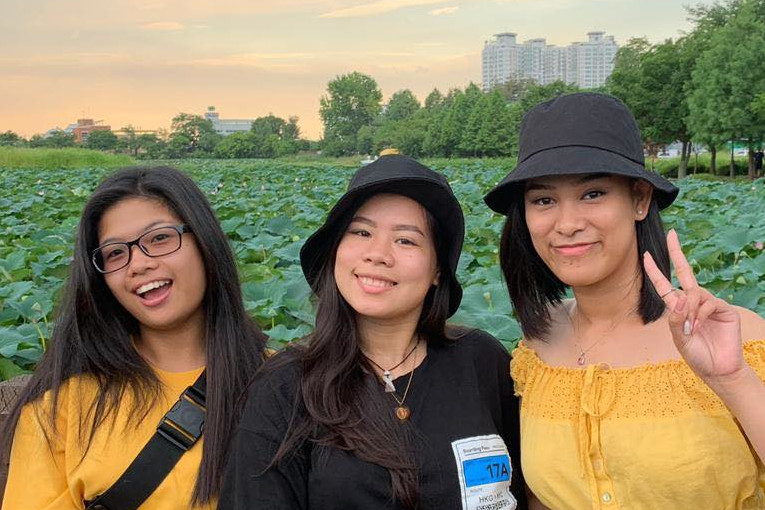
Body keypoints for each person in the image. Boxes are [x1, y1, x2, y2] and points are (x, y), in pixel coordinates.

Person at [484, 92, 765, 509]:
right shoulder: (535, 349)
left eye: (593, 194)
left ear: (639, 199)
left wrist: (732, 380)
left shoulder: (736, 339)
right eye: (543, 200)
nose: (567, 224)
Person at [219, 154, 527, 510]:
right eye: (361, 232)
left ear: (438, 271)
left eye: (406, 241)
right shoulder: (284, 387)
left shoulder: (482, 362)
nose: (377, 254)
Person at [1, 166, 267, 509]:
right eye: (115, 253)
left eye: (159, 238)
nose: (137, 264)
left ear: (204, 242)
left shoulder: (280, 383)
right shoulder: (58, 409)